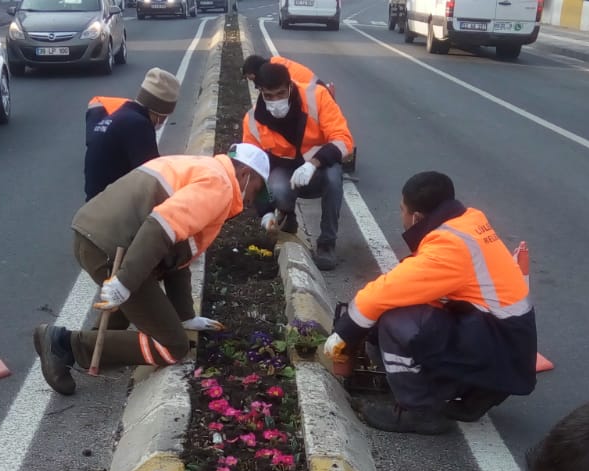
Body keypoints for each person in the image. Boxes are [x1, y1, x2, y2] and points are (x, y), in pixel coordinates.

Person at [32, 143, 271, 395]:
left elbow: (178, 254)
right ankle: (64, 344)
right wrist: (125, 281)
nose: (251, 201)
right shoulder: (219, 186)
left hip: (93, 233)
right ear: (245, 174)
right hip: (112, 247)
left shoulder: (201, 167)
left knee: (140, 299)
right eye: (256, 190)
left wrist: (185, 315)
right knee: (172, 346)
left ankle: (100, 347)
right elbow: (161, 226)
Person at [321, 171, 536, 435]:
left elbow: (387, 292)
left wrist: (345, 331)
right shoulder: (469, 220)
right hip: (509, 343)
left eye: (402, 210)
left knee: (396, 321)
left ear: (417, 217)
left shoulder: (450, 245)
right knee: (417, 307)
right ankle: (480, 393)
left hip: (498, 344)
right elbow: (421, 277)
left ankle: (418, 411)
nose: (401, 216)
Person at [240, 62, 353, 271]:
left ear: (290, 86)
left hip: (319, 169)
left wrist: (313, 164)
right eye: (269, 95)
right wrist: (264, 212)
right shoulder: (253, 121)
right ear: (260, 92)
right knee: (278, 187)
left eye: (281, 93)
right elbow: (252, 170)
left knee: (334, 179)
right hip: (286, 172)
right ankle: (287, 215)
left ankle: (327, 244)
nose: (276, 101)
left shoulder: (317, 97)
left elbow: (343, 140)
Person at [85, 68, 181, 201]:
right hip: (112, 209)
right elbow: (153, 177)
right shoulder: (139, 125)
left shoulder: (122, 114)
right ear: (160, 113)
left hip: (95, 204)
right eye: (166, 116)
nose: (164, 121)